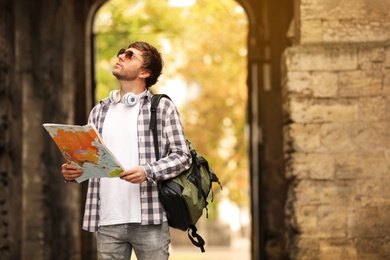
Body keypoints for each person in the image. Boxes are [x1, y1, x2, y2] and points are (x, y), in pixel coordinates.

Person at [61, 41, 192, 260]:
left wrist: (147, 171)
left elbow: (183, 156)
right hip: (107, 220)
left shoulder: (162, 108)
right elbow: (92, 161)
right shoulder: (99, 111)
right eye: (122, 52)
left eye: (130, 55)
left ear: (145, 72)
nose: (121, 56)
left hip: (150, 219)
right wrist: (74, 172)